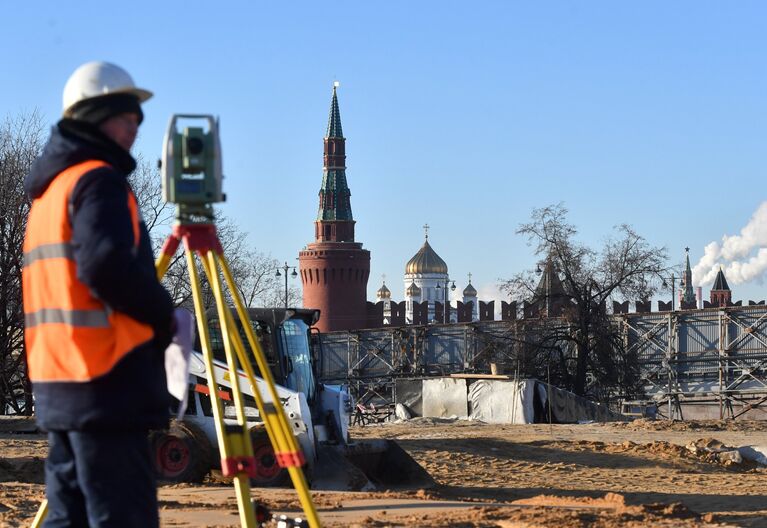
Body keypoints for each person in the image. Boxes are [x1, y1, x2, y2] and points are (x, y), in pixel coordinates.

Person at [23, 62, 174, 527]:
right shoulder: (98, 182)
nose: (134, 130)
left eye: (137, 121)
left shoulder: (49, 193)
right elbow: (105, 267)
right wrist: (163, 314)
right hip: (105, 382)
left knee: (67, 517)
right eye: (126, 119)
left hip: (58, 385)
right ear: (94, 118)